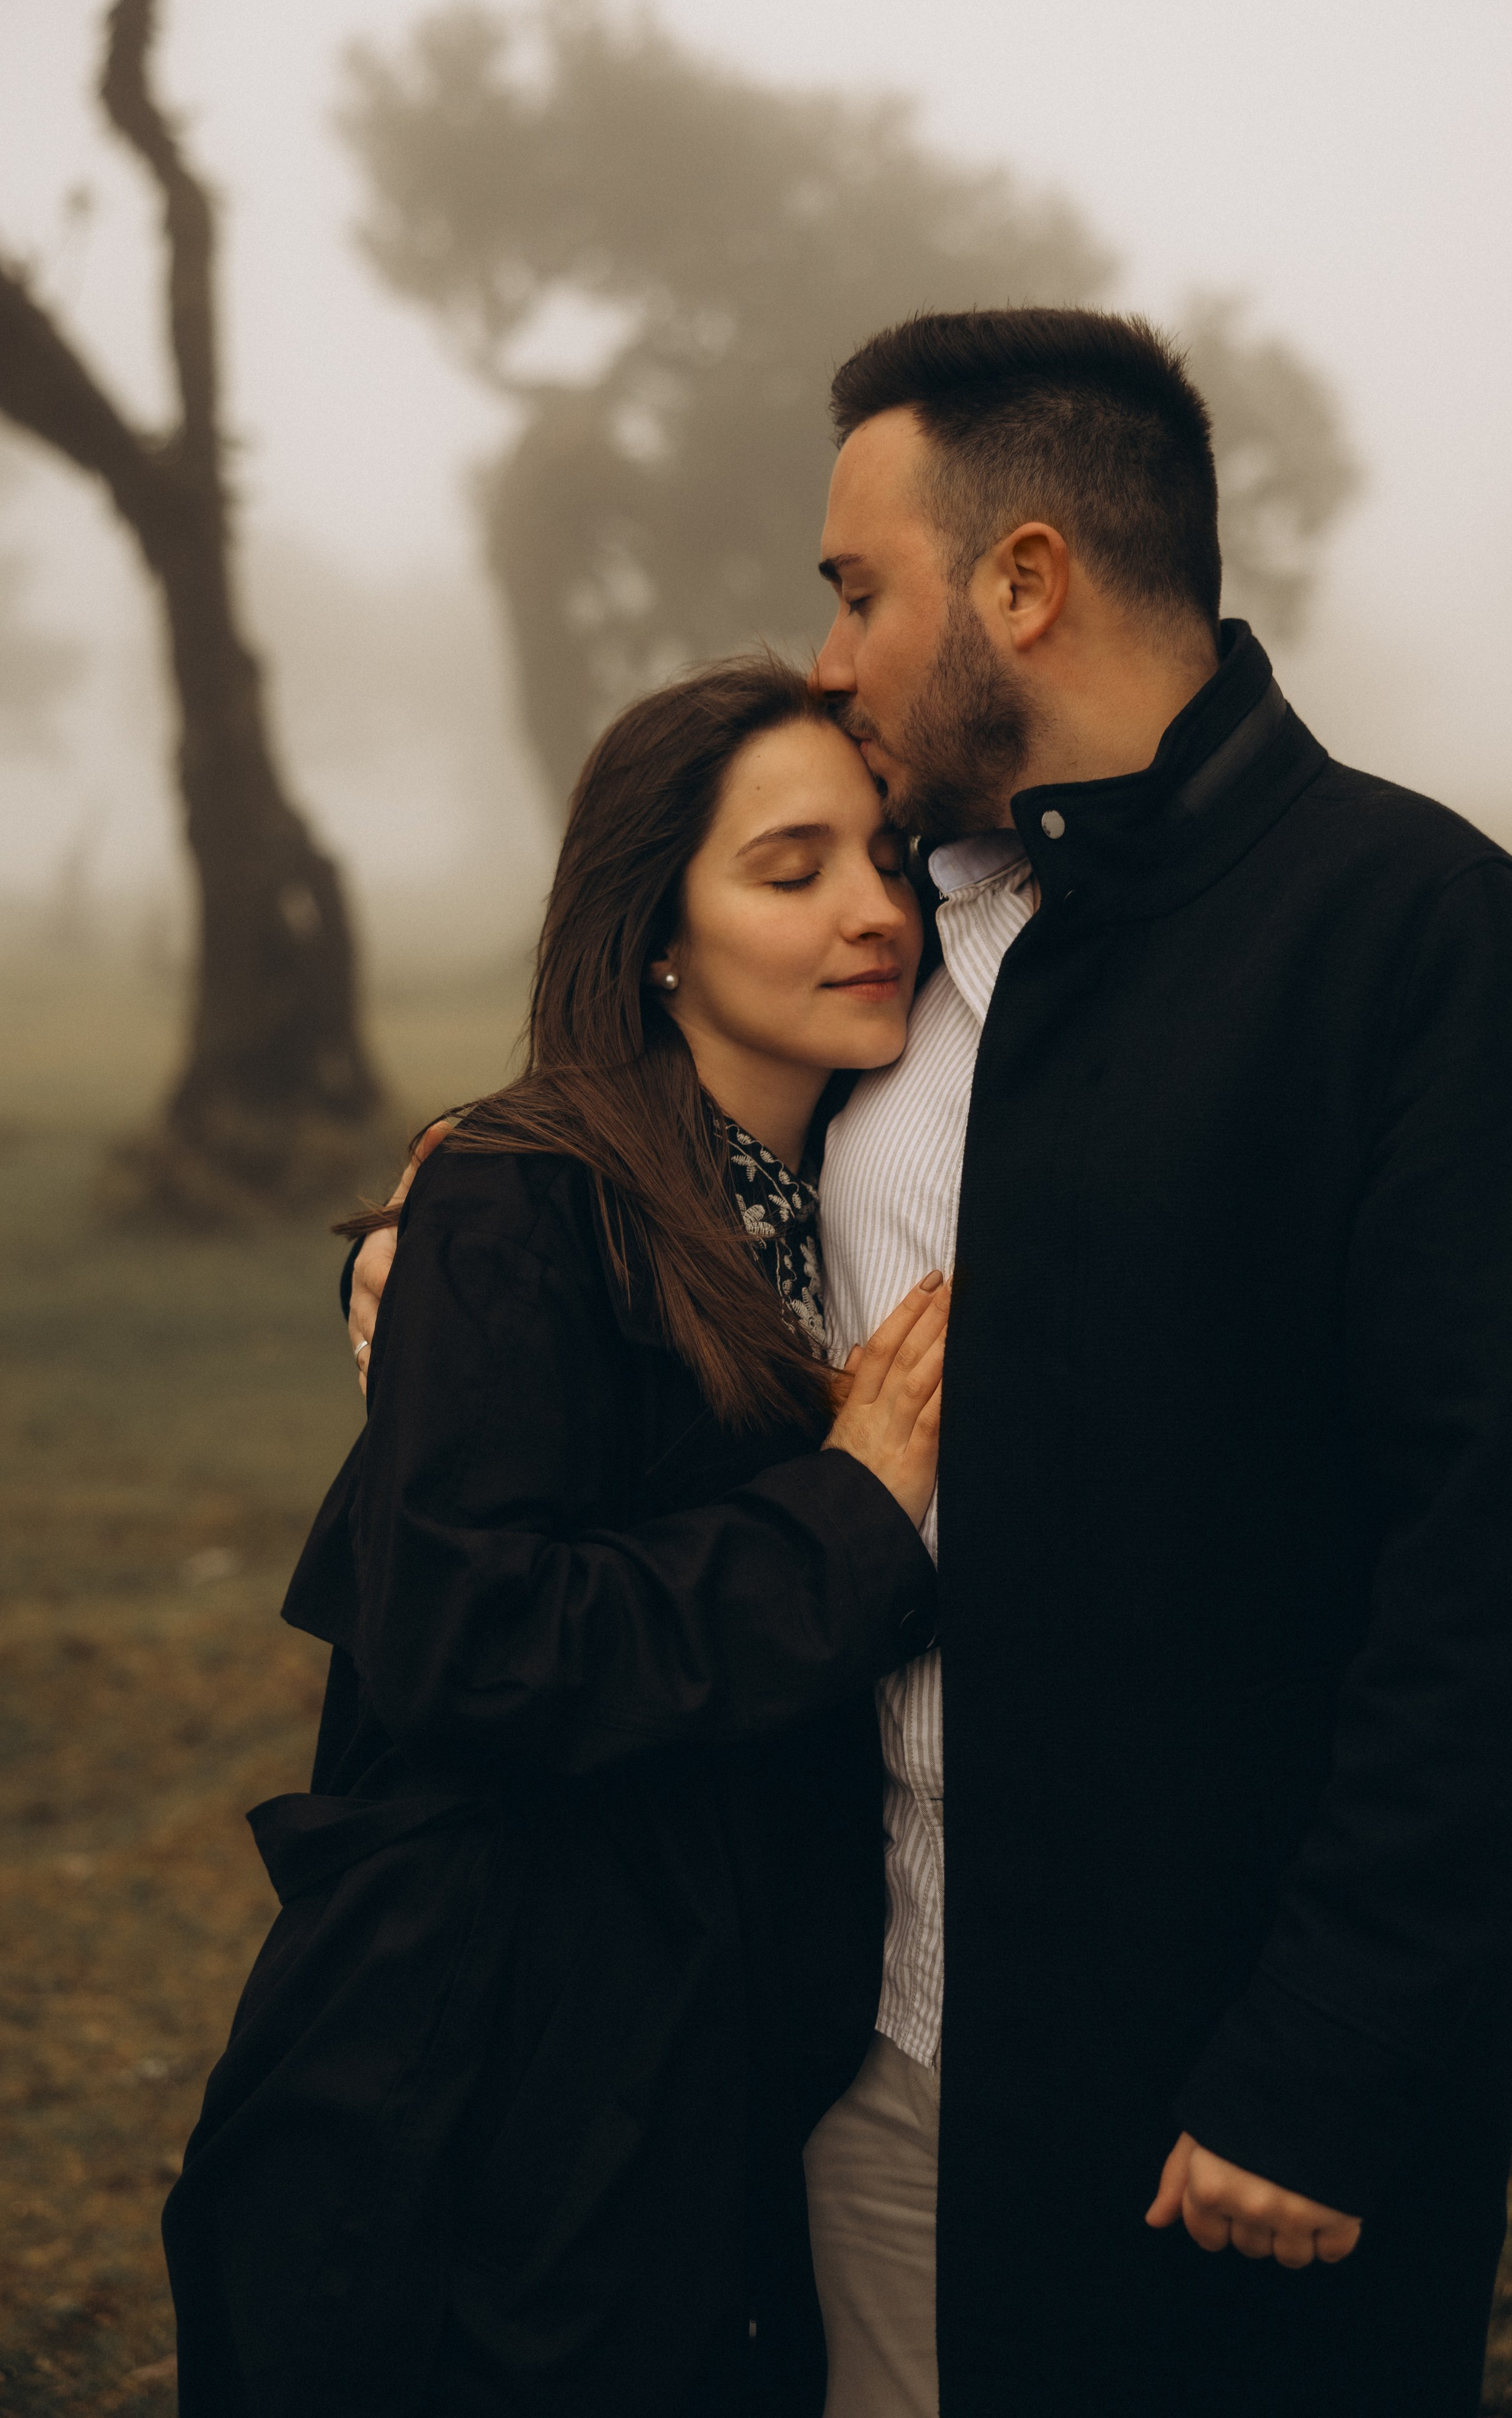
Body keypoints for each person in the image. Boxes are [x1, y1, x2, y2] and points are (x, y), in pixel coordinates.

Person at [352, 307, 1512, 2418]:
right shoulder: (910, 930)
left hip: (1210, 2072)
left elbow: (1491, 1574)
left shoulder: (1411, 935)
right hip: (858, 2027)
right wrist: (427, 1242)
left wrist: (1327, 2055)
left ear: (1024, 580)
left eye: (861, 589)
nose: (832, 651)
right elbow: (650, 1173)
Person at [163, 656, 957, 2418]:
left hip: (710, 2059)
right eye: (791, 867)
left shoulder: (808, 1196)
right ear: (655, 930)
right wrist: (843, 1511)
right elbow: (473, 1640)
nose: (872, 910)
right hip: (494, 2066)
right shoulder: (527, 1196)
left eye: (891, 859)